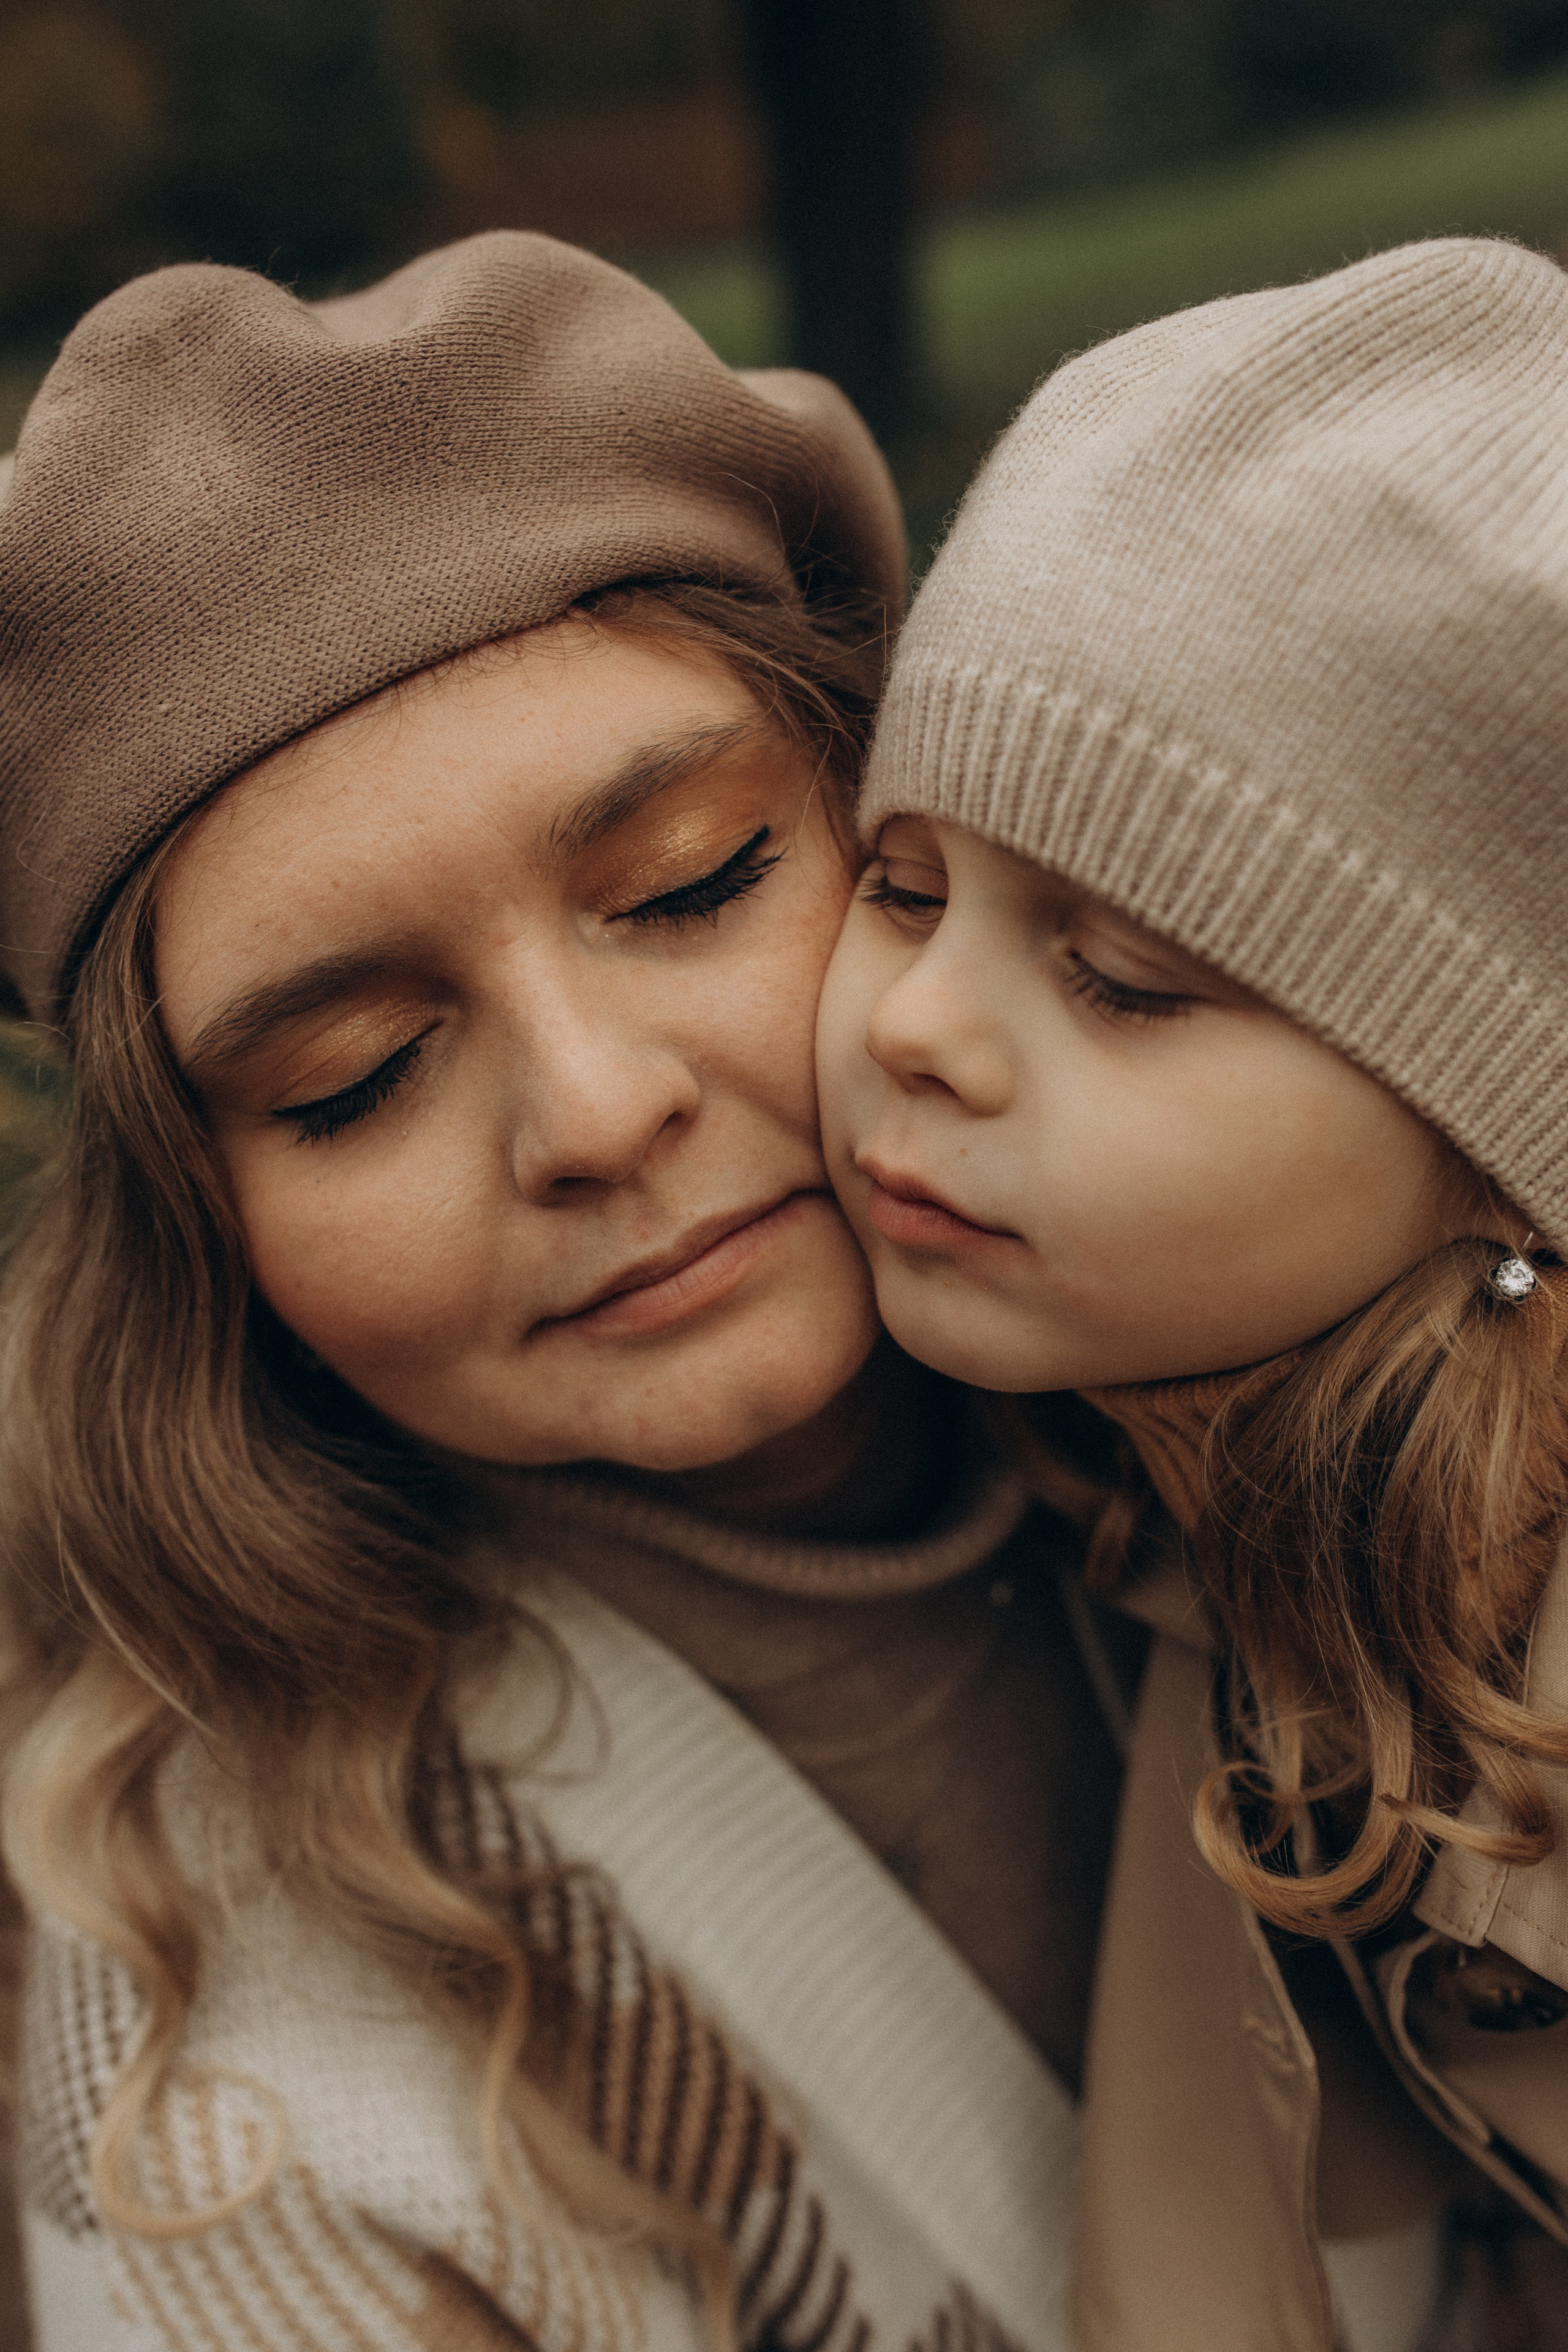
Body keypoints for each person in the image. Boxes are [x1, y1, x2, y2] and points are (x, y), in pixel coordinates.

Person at [0, 231, 1124, 2352]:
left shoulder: (1365, 1394)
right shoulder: (234, 2115)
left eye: (693, 885)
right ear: (198, 1223)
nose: (598, 1114)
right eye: (354, 1078)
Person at [816, 236, 1568, 2352]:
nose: (915, 1026)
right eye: (903, 887)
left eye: (1126, 980)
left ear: (1502, 1128)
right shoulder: (1241, 1497)